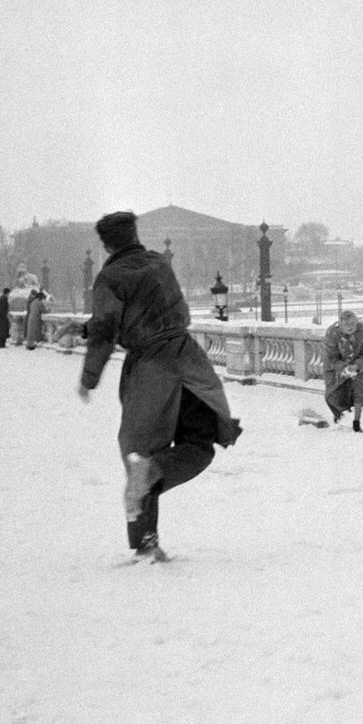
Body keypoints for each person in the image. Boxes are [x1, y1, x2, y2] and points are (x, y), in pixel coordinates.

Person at [78, 211, 242, 561]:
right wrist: (85, 328)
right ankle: (153, 474)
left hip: (151, 369)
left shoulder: (109, 278)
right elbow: (149, 311)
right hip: (189, 361)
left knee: (140, 454)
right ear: (135, 234)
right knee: (199, 445)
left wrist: (90, 377)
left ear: (106, 243)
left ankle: (146, 542)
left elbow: (108, 328)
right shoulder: (159, 265)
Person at [322, 308, 363, 431]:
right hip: (335, 368)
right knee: (334, 394)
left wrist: (357, 365)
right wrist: (345, 368)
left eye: (352, 323)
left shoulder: (362, 330)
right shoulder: (332, 333)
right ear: (340, 324)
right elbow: (332, 357)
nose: (350, 327)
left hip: (358, 366)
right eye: (346, 324)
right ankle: (340, 417)